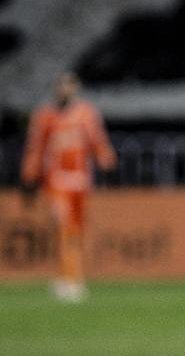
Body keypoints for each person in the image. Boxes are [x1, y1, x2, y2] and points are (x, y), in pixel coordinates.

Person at [20, 71, 116, 302]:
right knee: (63, 227)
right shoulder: (44, 116)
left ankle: (69, 276)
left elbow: (97, 141)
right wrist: (29, 175)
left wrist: (107, 160)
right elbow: (36, 147)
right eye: (61, 85)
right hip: (56, 181)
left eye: (69, 85)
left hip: (81, 181)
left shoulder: (86, 114)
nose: (65, 90)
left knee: (76, 229)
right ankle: (70, 279)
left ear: (75, 88)